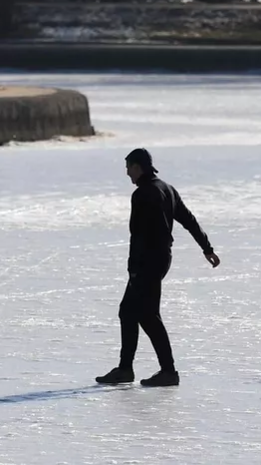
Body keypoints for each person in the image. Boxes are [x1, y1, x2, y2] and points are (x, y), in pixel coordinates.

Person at [96, 148, 221, 387]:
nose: (126, 174)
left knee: (147, 314)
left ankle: (168, 371)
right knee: (128, 311)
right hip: (161, 258)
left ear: (137, 167)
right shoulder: (167, 189)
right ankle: (125, 369)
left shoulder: (143, 193)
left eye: (128, 168)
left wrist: (133, 267)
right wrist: (207, 248)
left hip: (147, 261)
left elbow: (139, 234)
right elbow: (188, 220)